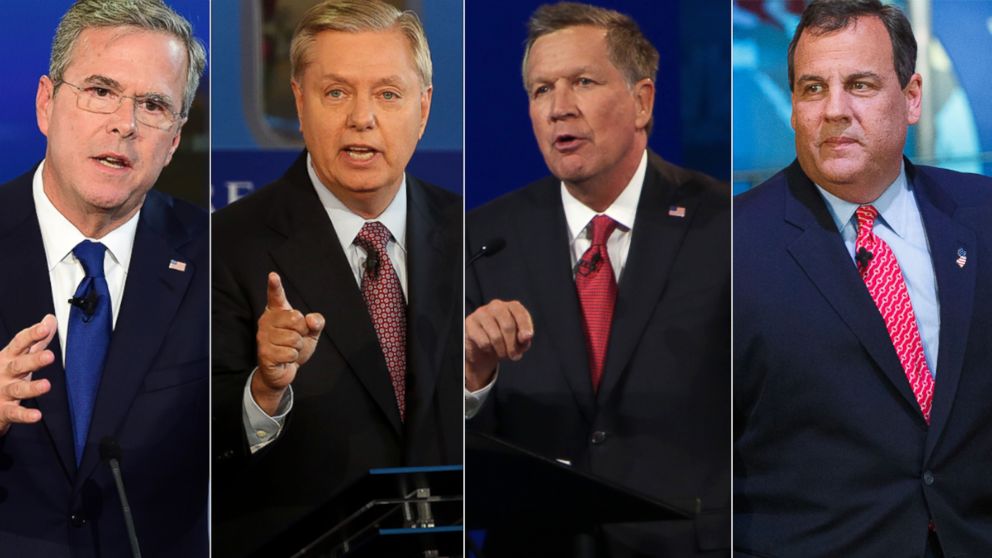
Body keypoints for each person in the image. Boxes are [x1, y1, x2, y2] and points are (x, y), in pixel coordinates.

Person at [465, 3, 730, 556]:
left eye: (583, 82)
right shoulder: (482, 241)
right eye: (541, 90)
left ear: (642, 101)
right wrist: (472, 377)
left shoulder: (726, 226)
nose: (559, 109)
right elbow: (448, 445)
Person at [734, 1, 992, 556]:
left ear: (913, 97)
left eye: (860, 84)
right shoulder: (732, 246)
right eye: (812, 89)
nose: (834, 110)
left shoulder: (982, 214)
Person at [211, 1, 462, 555]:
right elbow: (187, 438)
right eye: (336, 93)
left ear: (423, 110)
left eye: (388, 94)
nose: (362, 118)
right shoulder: (226, 246)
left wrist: (481, 381)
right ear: (300, 104)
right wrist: (264, 390)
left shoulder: (470, 235)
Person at [0, 0, 208, 556]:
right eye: (100, 91)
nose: (126, 124)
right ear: (47, 104)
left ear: (175, 139)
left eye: (154, 105)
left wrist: (265, 397)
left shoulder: (219, 256)